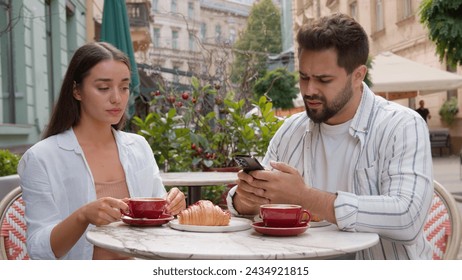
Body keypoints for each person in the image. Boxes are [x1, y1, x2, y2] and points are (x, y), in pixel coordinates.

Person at [227, 13, 434, 260]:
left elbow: (407, 218)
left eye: (324, 80)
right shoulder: (291, 130)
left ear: (358, 75)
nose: (309, 90)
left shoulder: (401, 125)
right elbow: (251, 206)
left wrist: (304, 197)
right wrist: (246, 201)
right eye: (303, 77)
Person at [18, 42, 186, 260]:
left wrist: (173, 206)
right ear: (77, 90)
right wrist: (82, 216)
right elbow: (39, 250)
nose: (117, 98)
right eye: (104, 88)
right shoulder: (41, 158)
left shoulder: (138, 147)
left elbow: (160, 219)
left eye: (124, 87)